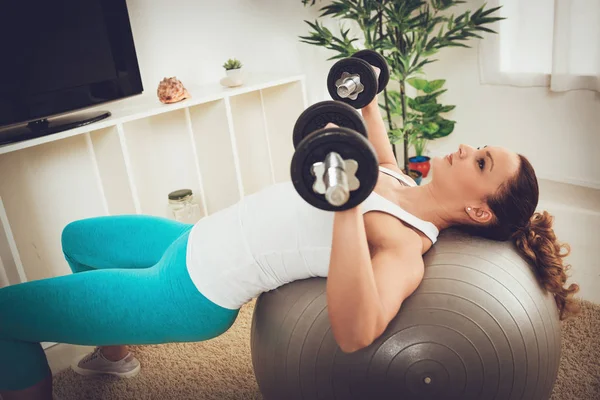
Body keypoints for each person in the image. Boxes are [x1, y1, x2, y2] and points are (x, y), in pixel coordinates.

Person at [0, 91, 580, 400]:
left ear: (479, 209)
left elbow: (357, 332)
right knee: (79, 238)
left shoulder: (402, 246)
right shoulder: (401, 181)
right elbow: (378, 159)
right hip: (194, 239)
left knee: (6, 319)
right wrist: (369, 101)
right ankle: (115, 359)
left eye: (481, 162)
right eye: (480, 147)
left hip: (190, 289)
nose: (465, 149)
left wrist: (346, 207)